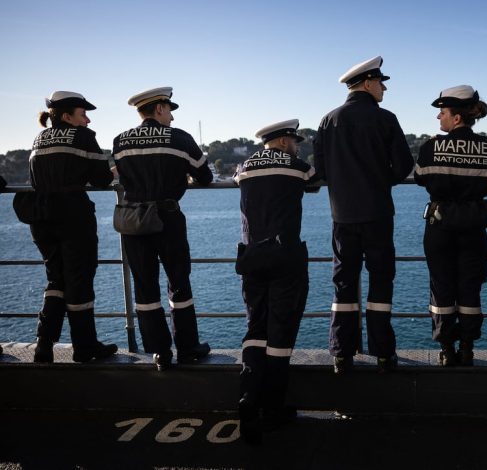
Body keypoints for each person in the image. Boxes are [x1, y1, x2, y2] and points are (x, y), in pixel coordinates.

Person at [313, 56, 414, 374]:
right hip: (378, 214)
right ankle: (384, 353)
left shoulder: (328, 120)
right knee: (381, 283)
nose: (384, 88)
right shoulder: (386, 119)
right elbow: (403, 168)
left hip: (342, 217)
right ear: (368, 83)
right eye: (381, 82)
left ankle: (341, 353)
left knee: (344, 285)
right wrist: (379, 178)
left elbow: (321, 172)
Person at [12, 91, 117, 363]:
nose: (88, 120)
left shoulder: (39, 138)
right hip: (72, 216)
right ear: (68, 116)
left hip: (41, 216)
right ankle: (84, 348)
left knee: (55, 279)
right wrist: (115, 171)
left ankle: (44, 345)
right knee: (79, 280)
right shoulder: (84, 137)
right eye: (83, 114)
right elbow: (102, 180)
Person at [112, 87, 213, 371]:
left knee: (145, 287)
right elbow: (204, 176)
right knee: (179, 283)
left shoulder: (121, 141)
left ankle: (159, 352)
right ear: (159, 109)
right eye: (169, 110)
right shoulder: (180, 138)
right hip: (167, 218)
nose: (170, 116)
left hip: (134, 220)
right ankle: (188, 347)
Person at [234, 119, 316, 445]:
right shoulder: (296, 166)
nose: (297, 147)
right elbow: (314, 180)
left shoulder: (244, 167)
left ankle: (247, 397)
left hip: (251, 255)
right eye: (295, 141)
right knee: (279, 334)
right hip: (285, 256)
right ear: (283, 142)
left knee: (255, 329)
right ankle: (273, 407)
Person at [414, 85, 487, 366]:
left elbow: (421, 178)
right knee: (470, 288)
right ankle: (467, 347)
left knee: (441, 288)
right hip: (474, 227)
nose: (439, 118)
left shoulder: (431, 147)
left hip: (440, 227)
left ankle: (446, 349)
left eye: (442, 112)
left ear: (457, 118)